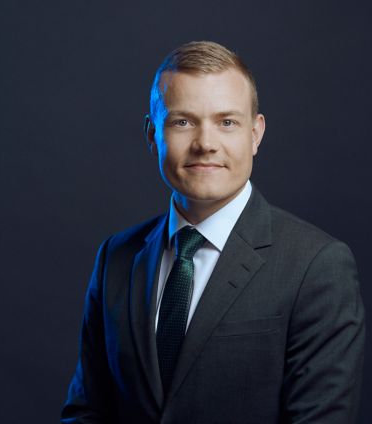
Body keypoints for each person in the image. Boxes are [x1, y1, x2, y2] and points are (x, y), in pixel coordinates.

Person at [61, 41, 365, 423]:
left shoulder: (317, 267)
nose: (205, 144)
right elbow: (87, 412)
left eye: (227, 122)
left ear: (255, 134)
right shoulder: (116, 258)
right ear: (152, 133)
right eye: (182, 122)